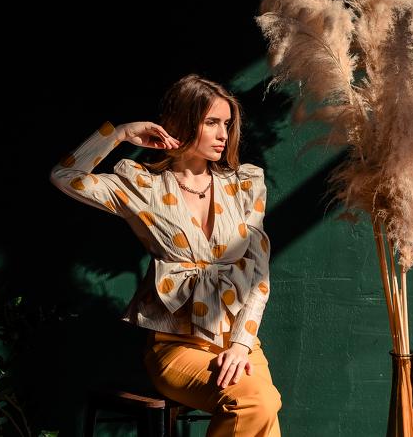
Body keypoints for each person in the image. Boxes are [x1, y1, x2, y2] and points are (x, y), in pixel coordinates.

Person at [50, 73, 281, 436]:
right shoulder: (143, 186)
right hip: (176, 347)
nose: (223, 134)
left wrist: (240, 345)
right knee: (257, 402)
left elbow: (259, 275)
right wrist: (121, 133)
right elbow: (64, 175)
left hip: (240, 341)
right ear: (184, 122)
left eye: (227, 124)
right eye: (212, 123)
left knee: (262, 405)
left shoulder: (245, 184)